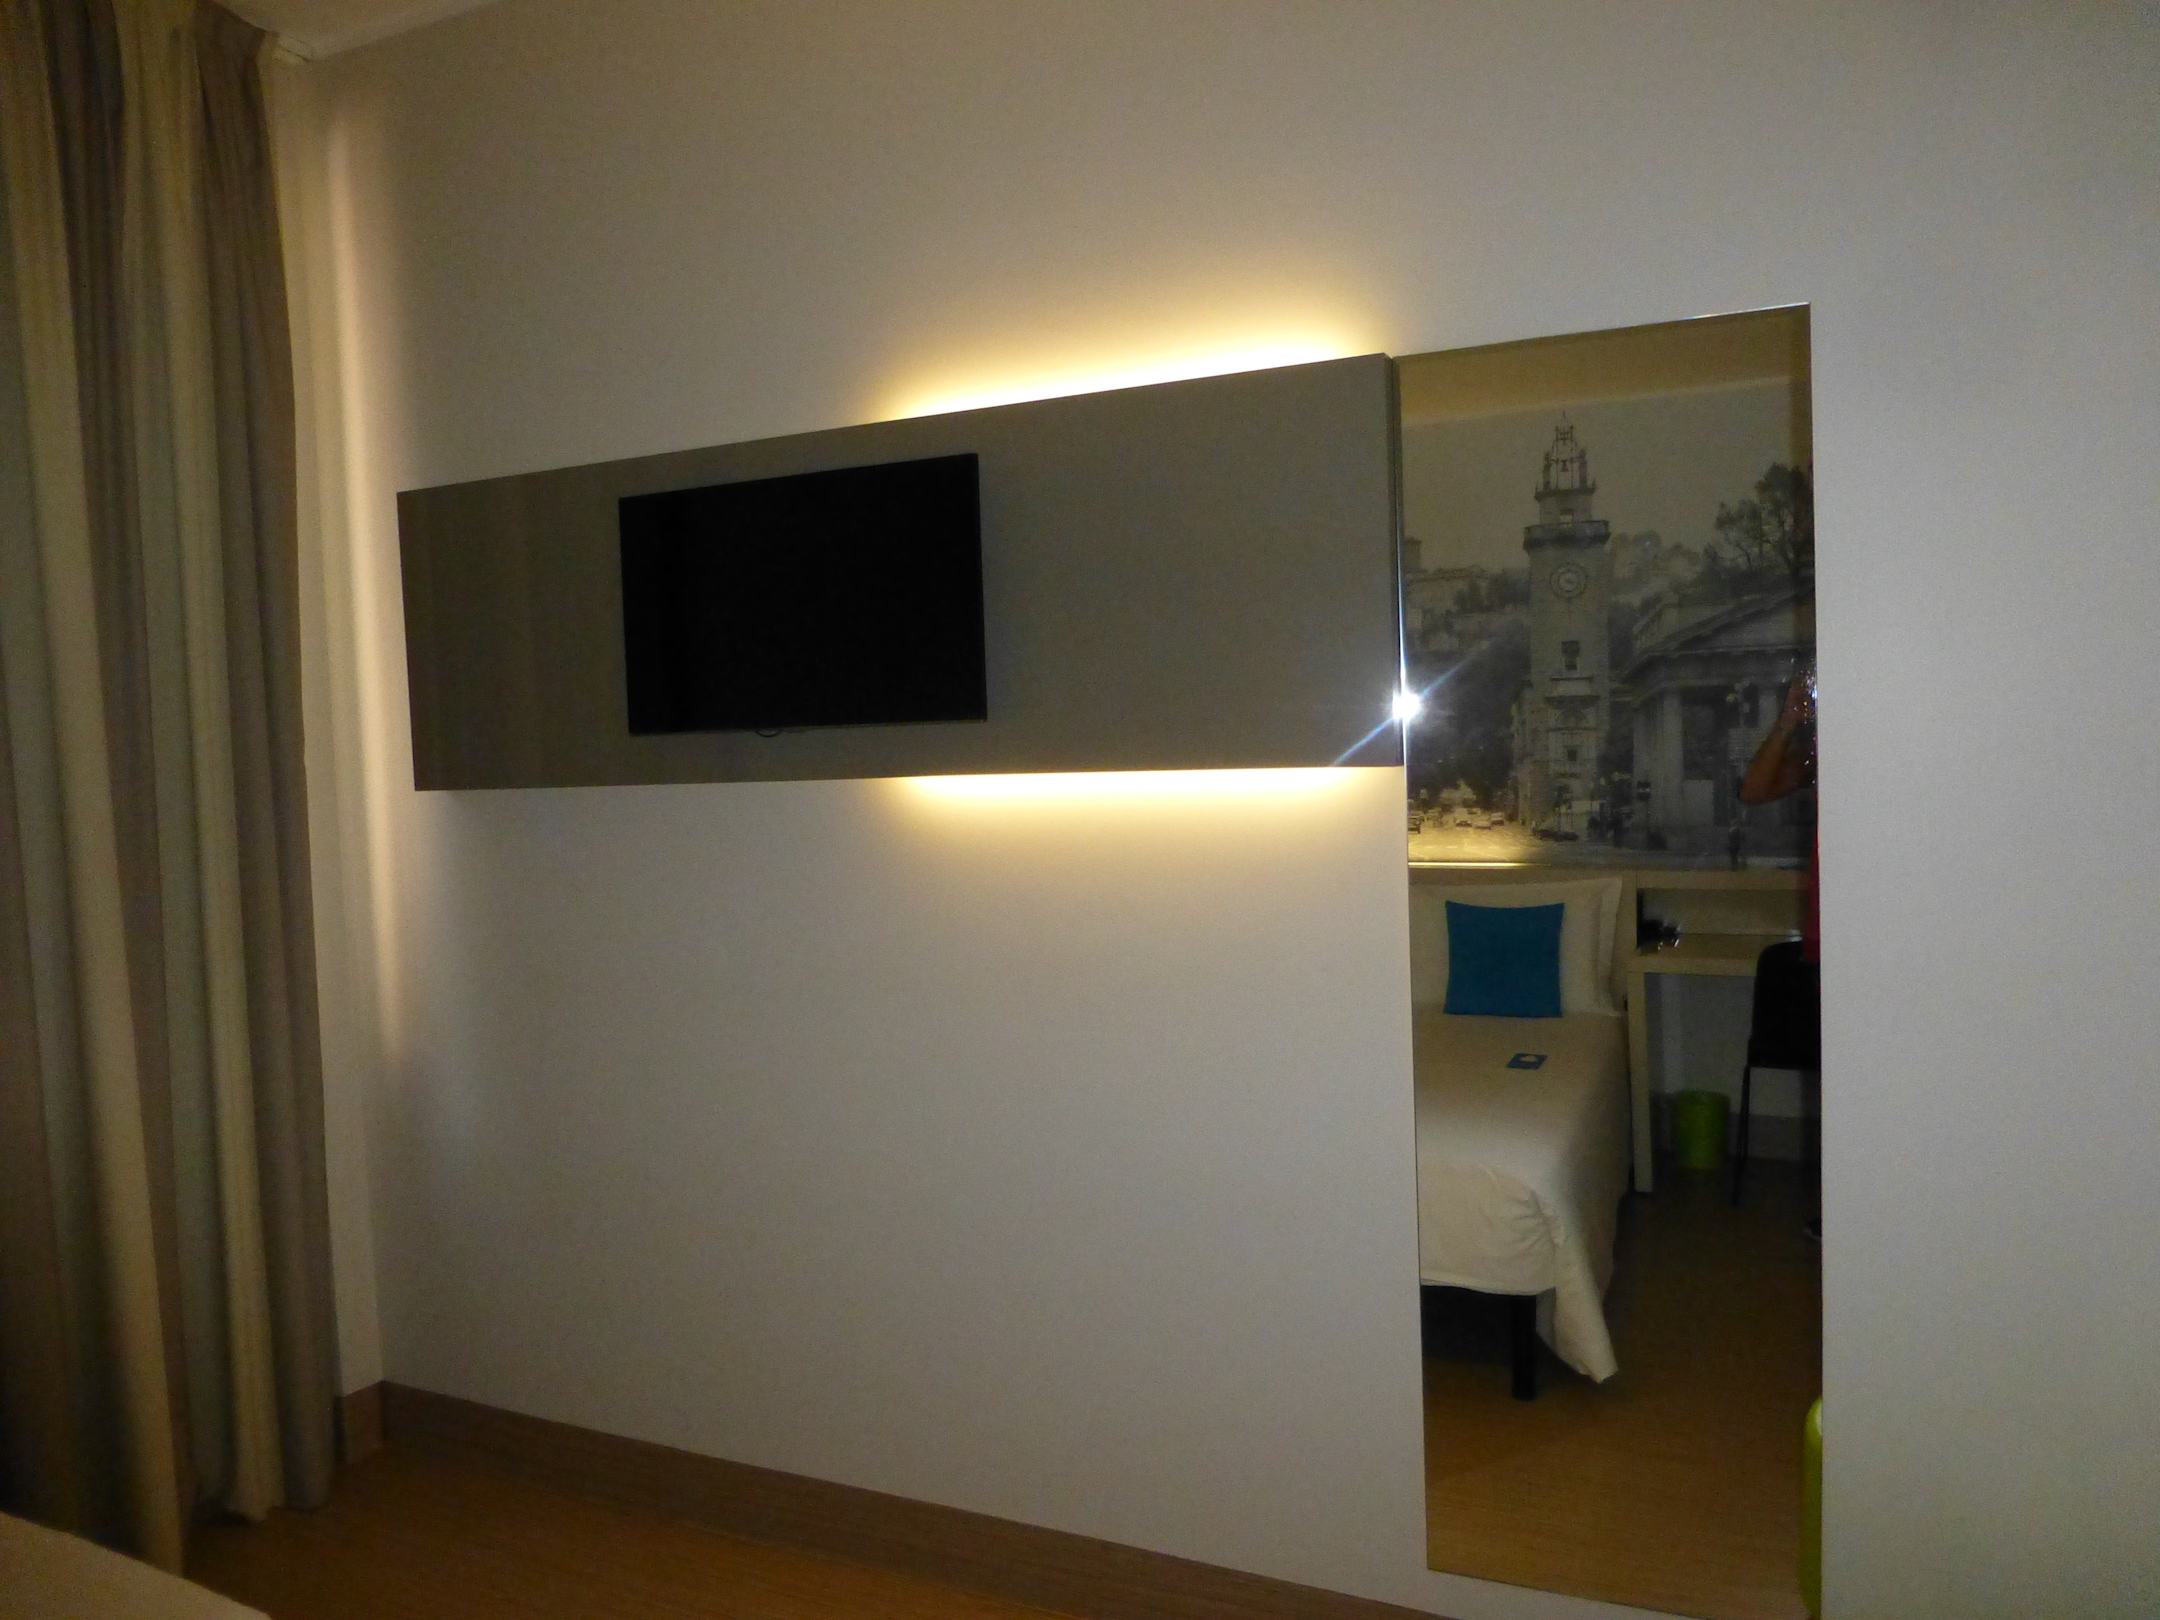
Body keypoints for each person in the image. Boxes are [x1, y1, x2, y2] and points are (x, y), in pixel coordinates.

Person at [1739, 666, 1821, 1237]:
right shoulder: (1822, 755)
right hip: (1826, 925)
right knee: (1833, 1073)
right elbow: (1755, 789)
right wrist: (1791, 720)